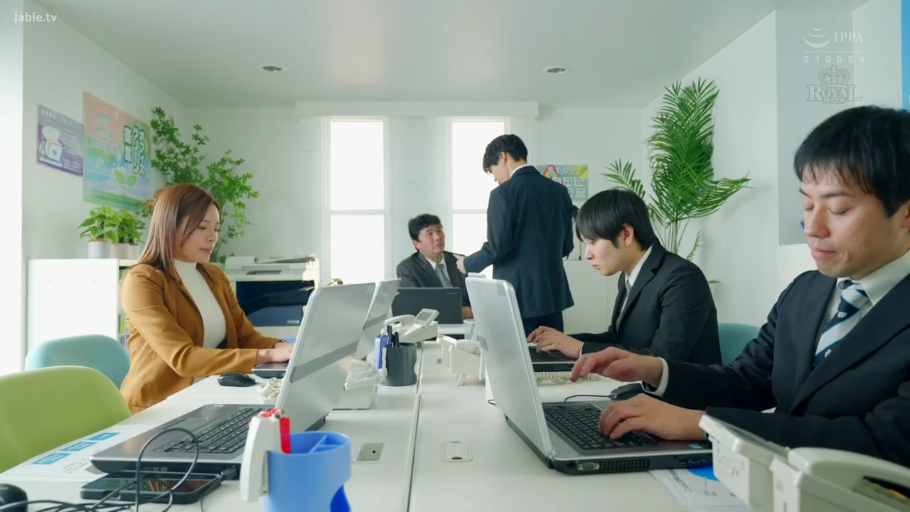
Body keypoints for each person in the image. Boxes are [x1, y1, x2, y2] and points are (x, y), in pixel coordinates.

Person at [570, 105, 910, 467]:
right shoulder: (807, 291)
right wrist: (655, 370)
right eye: (808, 205)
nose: (812, 228)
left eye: (838, 209)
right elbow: (745, 380)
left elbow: (884, 440)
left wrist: (707, 424)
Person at [119, 184, 293, 413]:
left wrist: (285, 347)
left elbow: (245, 336)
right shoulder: (142, 280)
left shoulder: (213, 275)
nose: (212, 237)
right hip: (156, 409)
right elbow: (183, 358)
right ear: (170, 226)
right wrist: (267, 355)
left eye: (216, 228)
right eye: (202, 227)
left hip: (208, 398)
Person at [527, 189, 721, 364]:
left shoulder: (682, 279)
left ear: (626, 234)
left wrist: (581, 349)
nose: (588, 254)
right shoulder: (629, 276)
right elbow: (616, 338)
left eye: (592, 242)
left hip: (679, 392)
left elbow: (662, 360)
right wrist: (561, 341)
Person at [456, 134, 574, 335]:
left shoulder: (503, 193)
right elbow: (567, 245)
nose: (495, 178)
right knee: (554, 350)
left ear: (503, 157)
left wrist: (467, 264)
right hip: (552, 294)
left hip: (518, 296)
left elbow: (496, 248)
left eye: (492, 170)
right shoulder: (559, 191)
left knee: (519, 352)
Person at [396, 214, 472, 319]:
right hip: (435, 326)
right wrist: (460, 312)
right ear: (416, 243)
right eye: (429, 234)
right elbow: (417, 307)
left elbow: (475, 297)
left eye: (439, 230)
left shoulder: (460, 261)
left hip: (469, 324)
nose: (437, 237)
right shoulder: (407, 269)